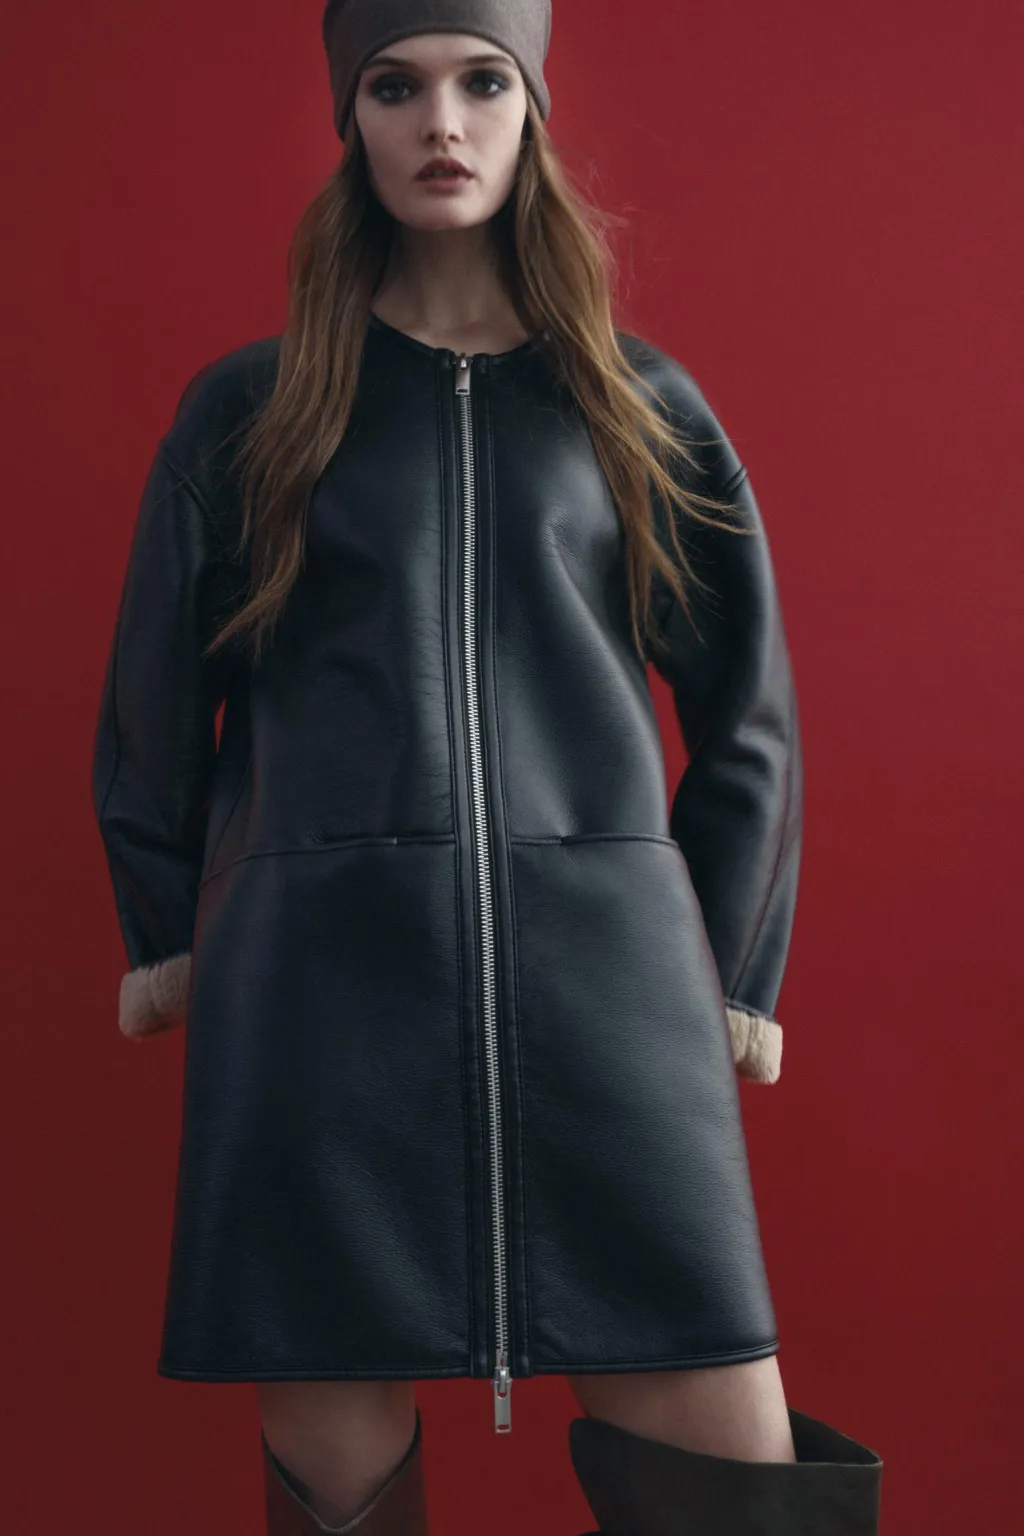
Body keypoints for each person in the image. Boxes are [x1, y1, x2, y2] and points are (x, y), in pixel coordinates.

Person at [90, 2, 884, 1532]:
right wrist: (173, 929)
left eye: (481, 81)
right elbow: (150, 708)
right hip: (319, 1004)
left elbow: (749, 714)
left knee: (739, 1480)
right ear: (351, 118)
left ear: (532, 110)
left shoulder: (637, 404)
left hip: (608, 998)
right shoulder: (251, 411)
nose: (440, 123)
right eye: (395, 86)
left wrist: (722, 969)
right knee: (337, 1492)